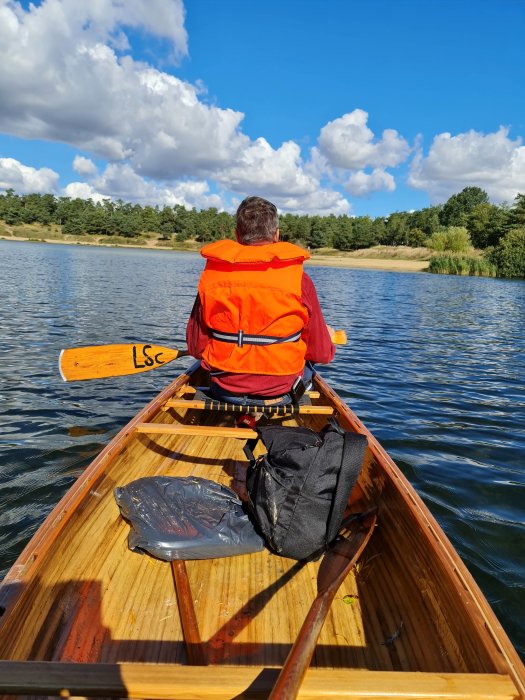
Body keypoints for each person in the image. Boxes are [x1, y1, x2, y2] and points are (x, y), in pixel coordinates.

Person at [186, 196, 335, 405]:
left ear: (237, 235)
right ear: (276, 235)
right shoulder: (300, 280)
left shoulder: (213, 276)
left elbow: (195, 347)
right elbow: (320, 353)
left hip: (224, 388)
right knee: (309, 360)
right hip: (281, 392)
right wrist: (327, 339)